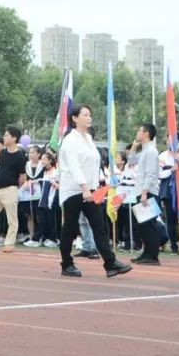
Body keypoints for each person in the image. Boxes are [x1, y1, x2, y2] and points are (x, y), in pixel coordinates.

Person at [57, 105, 131, 279]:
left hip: (91, 190)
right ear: (74, 118)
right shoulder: (70, 140)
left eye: (90, 114)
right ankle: (66, 264)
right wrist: (84, 188)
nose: (89, 118)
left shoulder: (88, 138)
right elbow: (74, 166)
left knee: (99, 226)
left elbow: (93, 163)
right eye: (85, 115)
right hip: (74, 190)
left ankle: (110, 263)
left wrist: (97, 186)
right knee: (70, 227)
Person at [130, 124, 161, 265]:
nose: (137, 133)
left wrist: (144, 192)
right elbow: (131, 162)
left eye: (140, 131)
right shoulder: (144, 150)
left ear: (146, 134)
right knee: (143, 225)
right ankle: (146, 252)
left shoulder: (151, 151)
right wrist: (133, 148)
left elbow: (151, 174)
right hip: (141, 190)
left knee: (150, 225)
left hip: (148, 192)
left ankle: (153, 255)